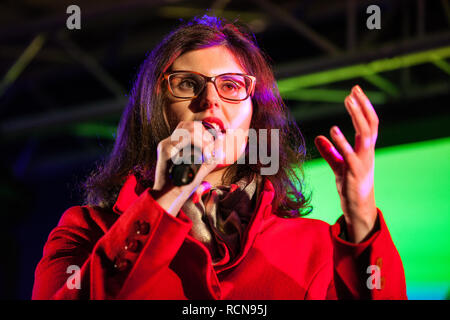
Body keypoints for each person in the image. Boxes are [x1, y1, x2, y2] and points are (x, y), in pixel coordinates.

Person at [32, 15, 407, 300]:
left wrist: (362, 217)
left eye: (230, 86)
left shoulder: (314, 248)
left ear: (254, 116)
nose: (210, 99)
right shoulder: (86, 231)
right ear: (154, 108)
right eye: (187, 84)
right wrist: (166, 196)